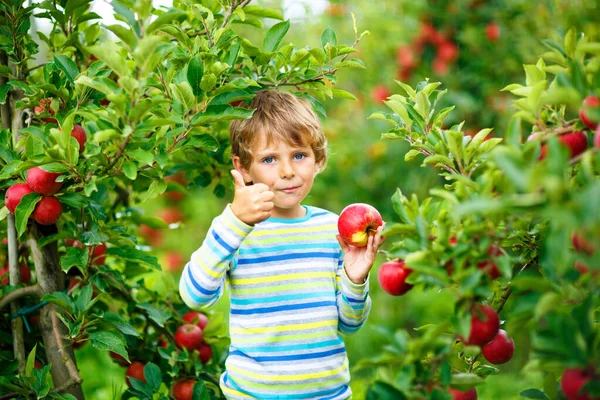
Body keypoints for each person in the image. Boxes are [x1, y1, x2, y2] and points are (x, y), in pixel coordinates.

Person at [179, 90, 385, 399]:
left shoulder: (332, 230)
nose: (287, 171)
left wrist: (355, 281)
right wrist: (235, 222)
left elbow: (349, 324)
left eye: (299, 155)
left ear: (318, 159)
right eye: (270, 159)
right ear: (244, 168)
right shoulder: (236, 229)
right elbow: (195, 296)